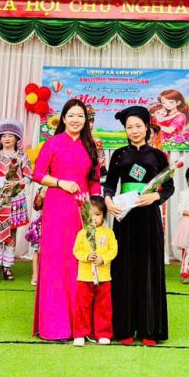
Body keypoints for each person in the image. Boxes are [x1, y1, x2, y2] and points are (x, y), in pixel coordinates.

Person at [33, 99, 102, 341]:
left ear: (86, 120)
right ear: (63, 118)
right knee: (56, 263)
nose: (75, 120)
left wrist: (96, 210)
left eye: (80, 116)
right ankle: (55, 327)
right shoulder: (52, 143)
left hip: (82, 211)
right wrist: (60, 182)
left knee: (79, 263)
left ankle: (80, 326)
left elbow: (94, 181)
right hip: (56, 209)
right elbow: (37, 174)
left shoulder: (91, 146)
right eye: (71, 115)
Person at [105, 105, 174, 346]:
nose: (134, 131)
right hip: (124, 217)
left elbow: (169, 187)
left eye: (138, 126)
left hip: (148, 218)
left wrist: (155, 196)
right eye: (129, 127)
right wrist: (108, 200)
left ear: (147, 128)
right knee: (123, 269)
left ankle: (149, 329)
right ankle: (123, 328)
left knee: (148, 269)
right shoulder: (119, 155)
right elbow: (110, 184)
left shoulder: (158, 156)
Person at [0, 119, 32, 281]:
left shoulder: (22, 157)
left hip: (15, 199)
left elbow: (29, 177)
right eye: (4, 135)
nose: (7, 138)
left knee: (12, 232)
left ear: (17, 138)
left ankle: (8, 266)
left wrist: (17, 183)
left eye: (11, 135)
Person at [72, 196, 119, 346]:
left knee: (103, 307)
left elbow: (113, 250)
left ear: (104, 215)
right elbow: (76, 251)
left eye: (97, 214)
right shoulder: (82, 233)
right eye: (91, 214)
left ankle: (103, 333)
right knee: (82, 306)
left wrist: (103, 259)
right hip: (85, 277)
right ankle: (80, 334)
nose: (94, 218)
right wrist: (87, 257)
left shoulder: (109, 233)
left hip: (104, 277)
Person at [26, 186, 46, 286]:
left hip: (54, 222)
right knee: (36, 250)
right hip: (41, 223)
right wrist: (41, 196)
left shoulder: (59, 188)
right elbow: (36, 206)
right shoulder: (41, 189)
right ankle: (35, 275)